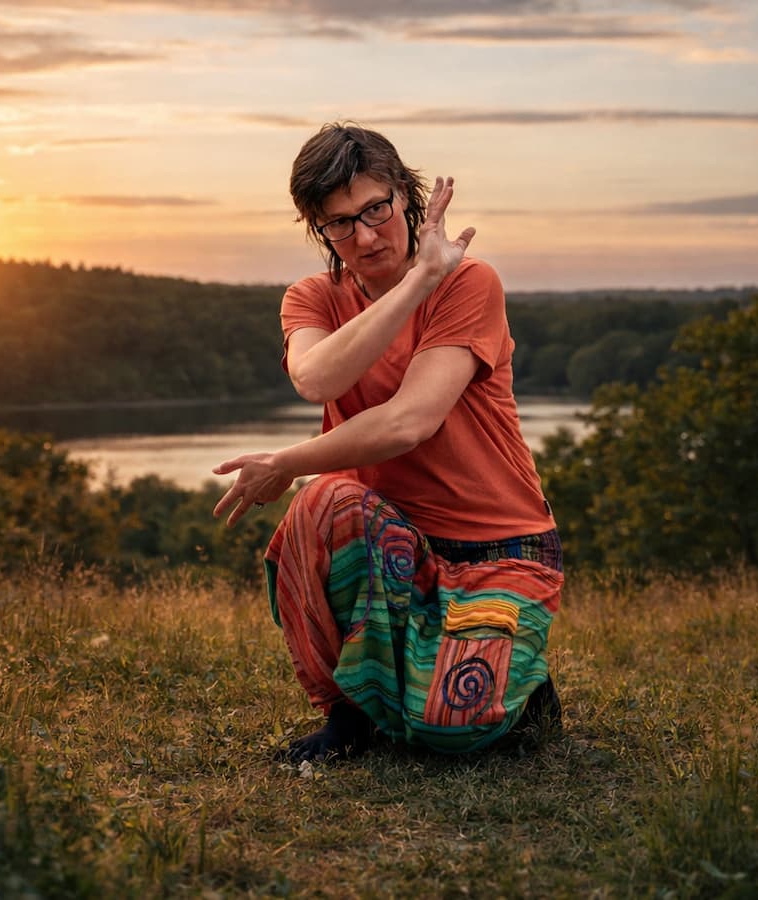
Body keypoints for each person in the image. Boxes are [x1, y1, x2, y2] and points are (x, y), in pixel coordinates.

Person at [213, 123, 563, 762]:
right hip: (388, 540)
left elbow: (410, 421)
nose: (365, 236)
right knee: (322, 505)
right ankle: (349, 715)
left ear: (408, 196)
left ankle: (526, 688)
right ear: (320, 230)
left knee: (452, 730)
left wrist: (284, 463)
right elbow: (317, 377)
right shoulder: (312, 296)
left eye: (376, 209)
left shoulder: (468, 283)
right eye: (339, 224)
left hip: (498, 545)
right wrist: (412, 283)